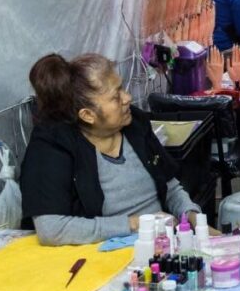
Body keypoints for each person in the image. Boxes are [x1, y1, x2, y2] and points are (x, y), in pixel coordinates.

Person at [20, 54, 203, 246]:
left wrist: (193, 216)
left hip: (163, 244)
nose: (128, 98)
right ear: (88, 115)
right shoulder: (52, 145)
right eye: (116, 96)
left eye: (122, 88)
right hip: (101, 257)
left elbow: (170, 186)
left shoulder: (136, 124)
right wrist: (133, 224)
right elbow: (52, 229)